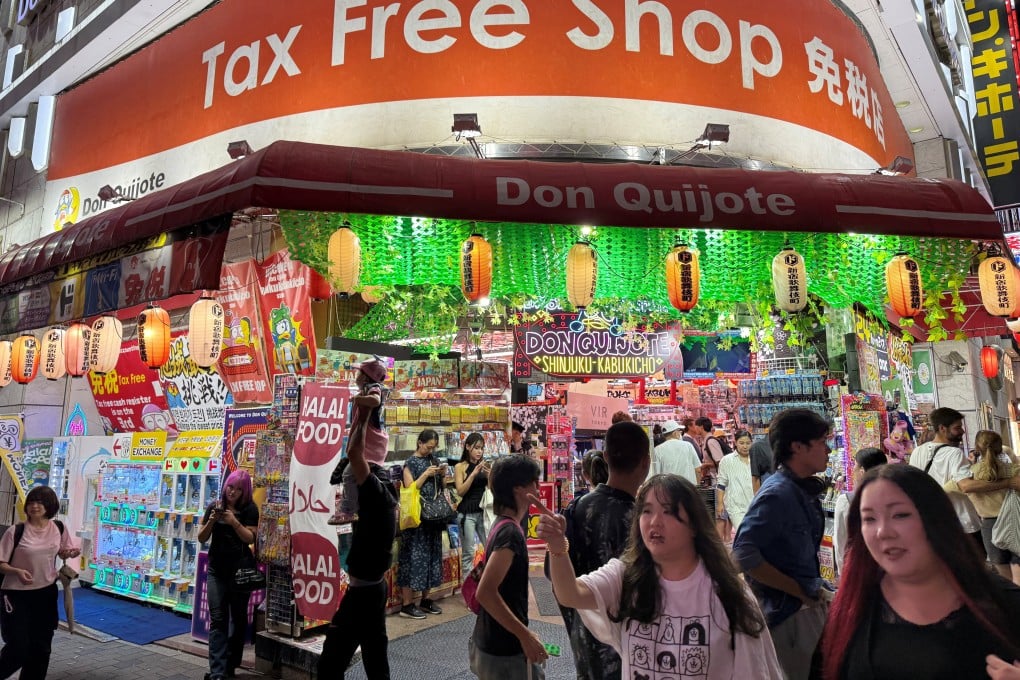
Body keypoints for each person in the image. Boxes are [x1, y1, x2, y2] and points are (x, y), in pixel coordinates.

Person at [535, 474, 784, 679]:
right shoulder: (627, 576)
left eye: (668, 511)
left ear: (695, 524)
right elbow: (570, 594)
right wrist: (557, 545)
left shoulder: (727, 594)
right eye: (646, 511)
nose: (655, 522)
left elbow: (755, 671)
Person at [819, 465, 1020, 679]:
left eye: (900, 515)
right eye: (869, 519)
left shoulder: (1004, 604)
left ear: (935, 519)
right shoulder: (850, 610)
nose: (883, 532)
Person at [732, 408, 832, 680]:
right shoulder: (778, 493)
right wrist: (798, 591)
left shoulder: (798, 489)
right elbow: (742, 554)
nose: (829, 449)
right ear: (798, 446)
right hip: (786, 617)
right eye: (823, 442)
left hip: (800, 611)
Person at [551, 421, 651, 680]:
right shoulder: (645, 519)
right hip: (633, 639)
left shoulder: (577, 508)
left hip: (585, 633)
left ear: (606, 456)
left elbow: (557, 577)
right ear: (646, 462)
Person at [318, 388, 400, 679]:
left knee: (331, 661)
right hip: (373, 588)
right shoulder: (385, 499)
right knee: (375, 654)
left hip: (363, 593)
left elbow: (354, 453)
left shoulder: (377, 495)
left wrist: (362, 414)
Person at [470, 454, 548, 679]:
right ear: (519, 489)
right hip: (502, 648)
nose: (539, 487)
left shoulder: (503, 525)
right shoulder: (510, 532)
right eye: (534, 482)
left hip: (492, 640)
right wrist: (525, 636)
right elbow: (485, 591)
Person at [908, 407, 1016, 556]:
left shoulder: (917, 451)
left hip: (933, 522)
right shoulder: (954, 453)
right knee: (975, 569)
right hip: (962, 523)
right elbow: (966, 486)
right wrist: (1008, 483)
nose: (962, 431)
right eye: (957, 428)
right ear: (942, 428)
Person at [0, 486, 79, 680]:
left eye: (40, 502)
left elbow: (63, 550)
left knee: (41, 647)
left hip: (45, 593)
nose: (35, 506)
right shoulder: (16, 531)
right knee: (18, 647)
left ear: (50, 506)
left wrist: (69, 553)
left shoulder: (58, 528)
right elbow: (1, 563)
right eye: (32, 502)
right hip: (16, 594)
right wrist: (16, 571)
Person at [198, 469, 259, 680]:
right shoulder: (214, 507)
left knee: (239, 618)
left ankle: (231, 664)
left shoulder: (250, 509)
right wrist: (213, 521)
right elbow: (201, 537)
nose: (232, 492)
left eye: (238, 490)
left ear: (245, 492)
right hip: (217, 570)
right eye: (231, 487)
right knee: (218, 618)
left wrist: (233, 522)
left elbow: (250, 538)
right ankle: (217, 672)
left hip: (240, 571)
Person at [330, 357, 389, 524]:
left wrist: (357, 399)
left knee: (349, 473)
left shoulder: (373, 388)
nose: (355, 375)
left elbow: (375, 400)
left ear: (366, 375)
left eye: (358, 372)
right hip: (366, 439)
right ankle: (352, 505)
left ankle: (348, 509)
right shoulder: (365, 389)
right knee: (351, 473)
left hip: (371, 441)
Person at [397, 429, 445, 619]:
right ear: (419, 443)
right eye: (427, 446)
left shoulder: (434, 460)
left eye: (433, 447)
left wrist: (441, 473)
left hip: (432, 517)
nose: (430, 450)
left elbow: (440, 486)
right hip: (416, 518)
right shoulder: (410, 463)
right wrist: (425, 474)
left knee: (432, 557)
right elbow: (410, 489)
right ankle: (407, 604)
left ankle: (426, 599)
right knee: (411, 558)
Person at [968, 430, 1020, 584]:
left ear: (977, 448)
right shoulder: (1014, 470)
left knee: (1004, 577)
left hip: (990, 526)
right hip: (1016, 521)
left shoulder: (972, 473)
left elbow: (948, 488)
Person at [832, 447, 887, 575]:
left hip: (859, 571)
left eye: (855, 467)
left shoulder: (846, 501)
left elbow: (841, 544)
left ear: (862, 471)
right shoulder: (894, 497)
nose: (853, 471)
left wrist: (843, 574)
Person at [455, 433, 490, 580]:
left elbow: (492, 489)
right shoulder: (460, 466)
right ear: (468, 447)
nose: (479, 451)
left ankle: (487, 587)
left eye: (481, 448)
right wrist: (473, 474)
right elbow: (460, 491)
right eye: (476, 448)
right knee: (468, 553)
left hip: (484, 513)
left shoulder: (486, 465)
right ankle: (469, 595)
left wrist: (491, 476)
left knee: (491, 548)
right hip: (466, 514)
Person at [716, 429, 756, 538]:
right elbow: (721, 484)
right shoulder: (726, 461)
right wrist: (720, 504)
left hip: (754, 503)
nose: (745, 446)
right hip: (735, 506)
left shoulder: (755, 459)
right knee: (745, 534)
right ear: (735, 443)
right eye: (741, 443)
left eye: (748, 443)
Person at [652, 419, 701, 484]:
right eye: (679, 431)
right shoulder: (688, 446)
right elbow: (698, 469)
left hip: (668, 490)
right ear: (675, 433)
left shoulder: (657, 450)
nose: (680, 433)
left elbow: (656, 475)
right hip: (688, 489)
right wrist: (697, 487)